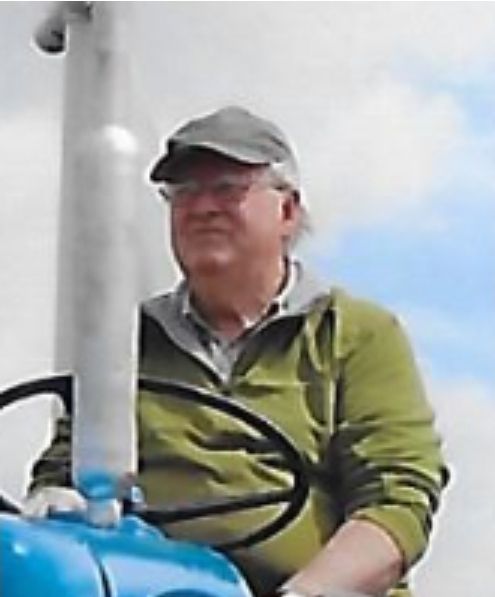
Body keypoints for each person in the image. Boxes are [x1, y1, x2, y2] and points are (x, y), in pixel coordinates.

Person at [27, 106, 448, 597]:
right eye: (184, 192)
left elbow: (396, 502)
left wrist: (304, 594)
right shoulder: (126, 341)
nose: (203, 207)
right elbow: (66, 473)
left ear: (287, 211)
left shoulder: (355, 334)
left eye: (228, 188)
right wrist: (53, 498)